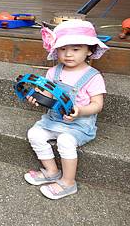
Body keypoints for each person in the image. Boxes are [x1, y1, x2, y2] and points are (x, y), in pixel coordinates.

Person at [24, 19, 108, 199]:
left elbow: (97, 105)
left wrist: (81, 110)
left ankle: (68, 182)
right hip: (53, 120)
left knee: (65, 141)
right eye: (62, 49)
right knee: (34, 134)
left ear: (89, 50)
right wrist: (37, 98)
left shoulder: (93, 77)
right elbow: (49, 95)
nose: (68, 54)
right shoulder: (53, 72)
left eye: (75, 49)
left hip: (79, 125)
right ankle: (52, 171)